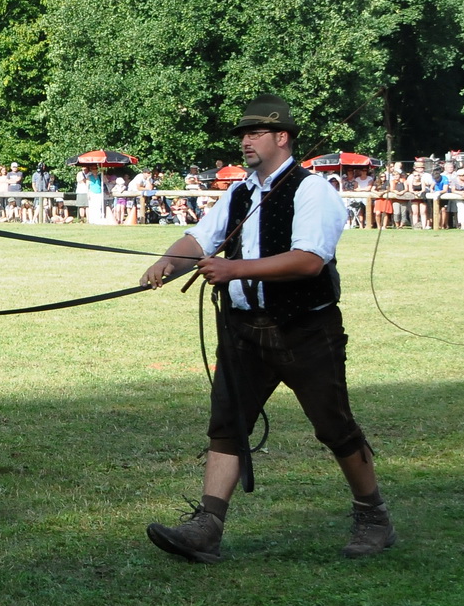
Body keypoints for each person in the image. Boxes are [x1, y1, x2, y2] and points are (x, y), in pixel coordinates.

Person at [138, 95, 393, 562]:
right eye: (242, 134)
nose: (245, 142)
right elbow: (200, 238)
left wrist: (235, 271)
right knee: (227, 425)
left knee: (333, 425)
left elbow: (309, 261)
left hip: (304, 328)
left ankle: (373, 515)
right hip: (242, 331)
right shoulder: (240, 192)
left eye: (254, 133)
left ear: (282, 137)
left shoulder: (312, 191)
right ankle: (207, 527)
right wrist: (168, 261)